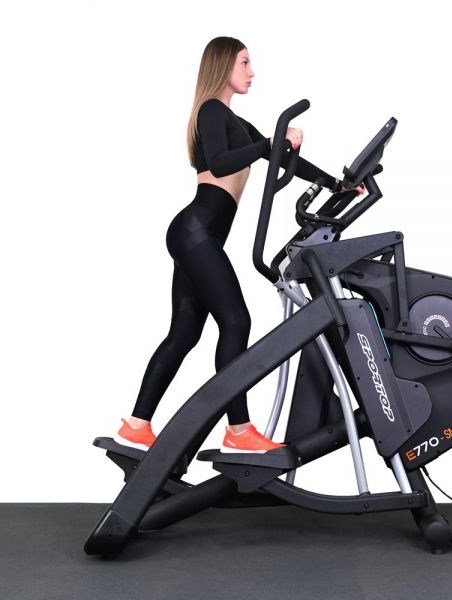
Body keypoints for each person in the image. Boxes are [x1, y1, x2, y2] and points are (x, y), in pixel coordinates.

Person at [118, 36, 365, 453]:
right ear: (222, 66)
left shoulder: (235, 122)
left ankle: (136, 424)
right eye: (244, 63)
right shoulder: (212, 111)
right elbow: (220, 163)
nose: (252, 72)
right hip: (196, 230)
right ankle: (238, 429)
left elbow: (280, 158)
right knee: (236, 321)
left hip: (198, 234)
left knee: (184, 333)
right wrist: (269, 143)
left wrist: (336, 184)